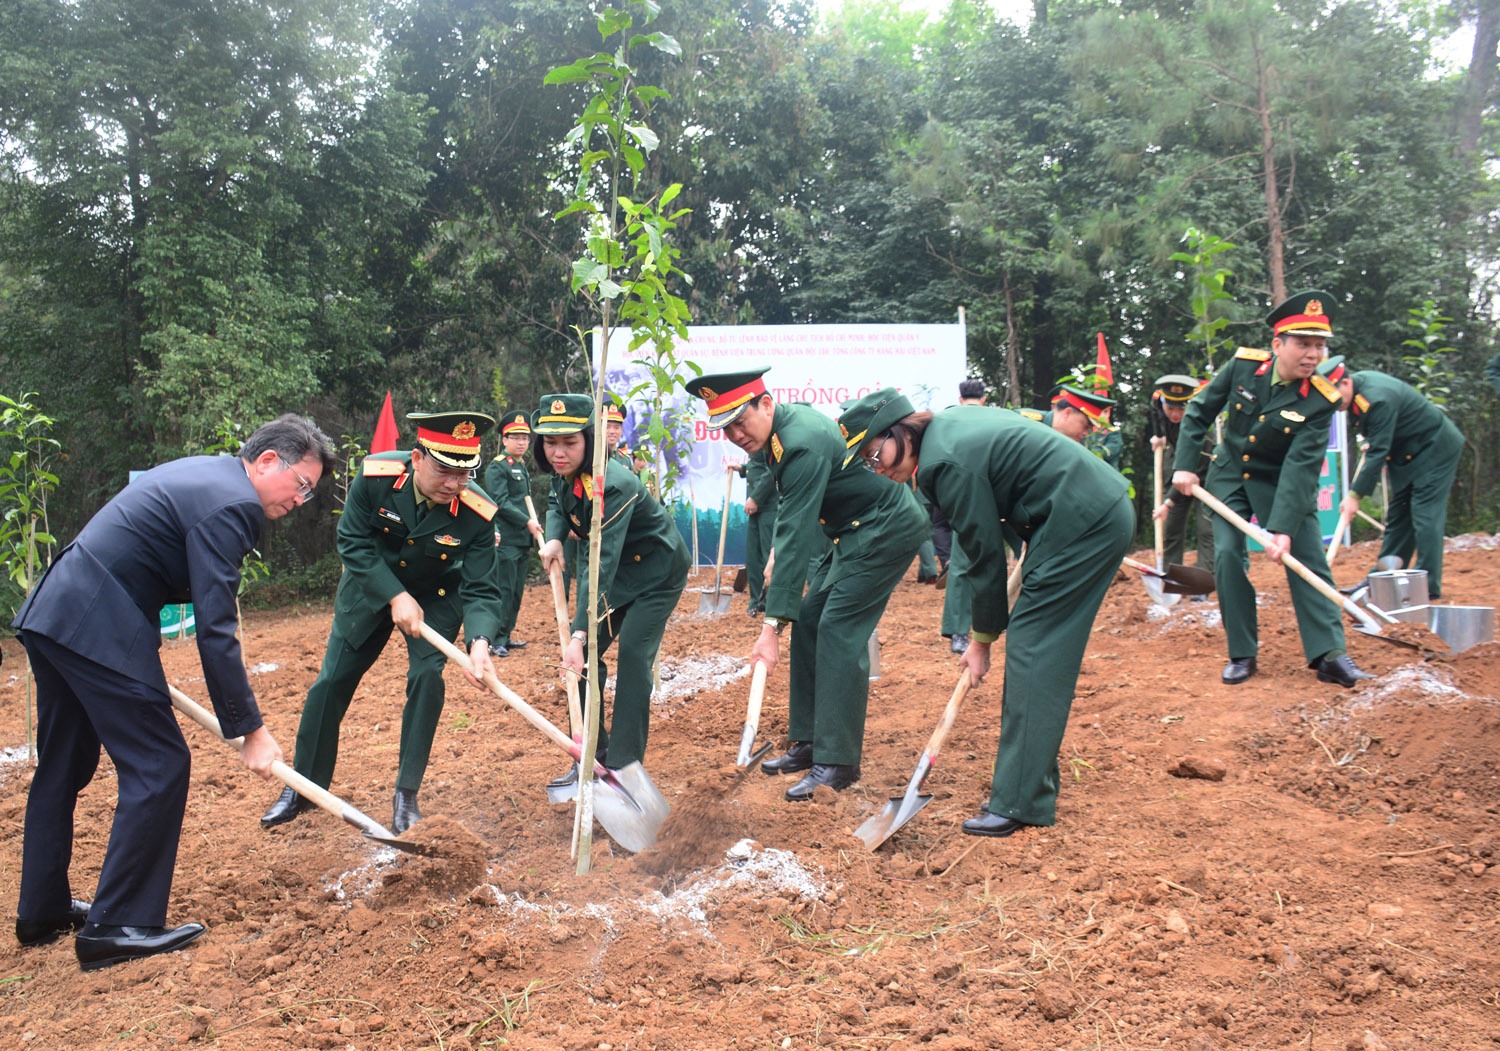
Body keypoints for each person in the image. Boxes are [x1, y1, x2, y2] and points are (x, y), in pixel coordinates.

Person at [13, 415, 333, 970]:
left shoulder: (208, 478)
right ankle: (116, 926)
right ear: (265, 462)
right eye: (302, 484)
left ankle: (41, 910)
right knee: (159, 763)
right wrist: (251, 730)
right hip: (96, 621)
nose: (302, 500)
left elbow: (147, 561)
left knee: (64, 763)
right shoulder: (233, 504)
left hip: (62, 611)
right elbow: (215, 627)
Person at [847, 388, 1133, 839]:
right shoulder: (947, 433)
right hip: (1072, 515)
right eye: (867, 461)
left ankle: (1021, 800)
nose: (878, 466)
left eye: (875, 451)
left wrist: (981, 640)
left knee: (1035, 647)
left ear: (900, 430)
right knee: (1035, 645)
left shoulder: (943, 463)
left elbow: (981, 556)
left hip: (1083, 522)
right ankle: (1030, 785)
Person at [688, 370, 928, 800]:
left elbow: (798, 524)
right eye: (727, 429)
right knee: (812, 617)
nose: (736, 435)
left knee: (838, 628)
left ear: (765, 404)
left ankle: (837, 762)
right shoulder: (779, 435)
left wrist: (769, 630)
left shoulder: (799, 441)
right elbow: (795, 509)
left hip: (885, 528)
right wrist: (779, 555)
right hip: (853, 529)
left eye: (741, 422)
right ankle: (809, 742)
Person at [261, 412, 504, 835]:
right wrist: (394, 595)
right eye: (445, 471)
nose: (454, 485)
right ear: (417, 458)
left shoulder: (478, 512)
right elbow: (352, 541)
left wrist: (480, 641)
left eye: (464, 474)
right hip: (370, 587)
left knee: (428, 676)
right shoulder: (376, 477)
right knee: (331, 681)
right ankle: (302, 786)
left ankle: (406, 794)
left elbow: (481, 588)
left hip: (438, 596)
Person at [1172, 290, 1372, 688]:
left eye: (1319, 345)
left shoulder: (1320, 400)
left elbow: (1301, 468)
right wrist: (1183, 468)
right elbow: (1198, 411)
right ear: (1278, 344)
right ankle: (1242, 653)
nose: (1313, 354)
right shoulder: (1243, 367)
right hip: (1230, 476)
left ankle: (1329, 655)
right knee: (1227, 556)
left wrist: (1282, 529)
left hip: (1282, 482)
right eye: (1303, 344)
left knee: (1309, 558)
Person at [534, 393, 689, 791]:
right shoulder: (565, 472)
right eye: (551, 443)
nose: (559, 453)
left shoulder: (613, 484)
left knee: (634, 655)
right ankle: (591, 755)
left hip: (656, 573)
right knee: (582, 663)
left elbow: (598, 564)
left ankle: (624, 766)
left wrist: (580, 634)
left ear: (589, 439)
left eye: (569, 443)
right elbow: (557, 501)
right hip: (619, 572)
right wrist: (553, 539)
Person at [1317, 356, 1465, 598]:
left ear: (1344, 383)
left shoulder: (1377, 398)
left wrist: (1354, 495)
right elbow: (1377, 438)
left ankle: (1427, 586)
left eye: (1334, 397)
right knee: (1399, 515)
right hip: (1407, 454)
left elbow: (1378, 451)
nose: (1333, 405)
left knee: (1424, 513)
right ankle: (1382, 579)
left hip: (1435, 448)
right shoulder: (1358, 392)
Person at [482, 410, 542, 656]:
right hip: (506, 537)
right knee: (503, 589)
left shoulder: (520, 466)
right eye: (515, 437)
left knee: (516, 590)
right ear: (504, 440)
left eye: (525, 438)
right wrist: (527, 521)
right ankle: (494, 638)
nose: (521, 442)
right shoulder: (498, 467)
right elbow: (500, 503)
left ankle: (505, 635)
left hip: (521, 541)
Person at [1147, 374, 1215, 571]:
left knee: (1206, 530)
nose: (1175, 414)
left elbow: (1193, 473)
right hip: (1179, 474)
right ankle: (1170, 576)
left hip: (1204, 477)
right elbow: (1156, 411)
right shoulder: (1159, 407)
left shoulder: (1201, 434)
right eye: (1171, 408)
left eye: (1181, 409)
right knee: (1171, 528)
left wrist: (1167, 503)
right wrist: (1159, 436)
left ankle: (1204, 577)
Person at [734, 449, 778, 617]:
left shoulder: (771, 436)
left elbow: (771, 470)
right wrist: (742, 469)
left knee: (770, 557)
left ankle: (770, 603)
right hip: (755, 509)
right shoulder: (757, 437)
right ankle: (756, 602)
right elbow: (758, 465)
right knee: (753, 557)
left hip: (768, 506)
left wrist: (756, 497)